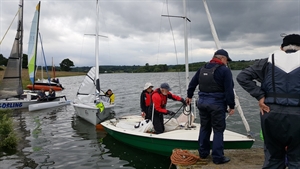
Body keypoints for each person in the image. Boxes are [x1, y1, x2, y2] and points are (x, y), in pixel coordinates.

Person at [237, 34, 300, 168]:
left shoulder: (268, 61)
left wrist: (260, 96)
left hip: (271, 113)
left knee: (273, 159)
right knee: (297, 160)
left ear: (281, 48)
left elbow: (242, 77)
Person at [186, 49, 235, 164]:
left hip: (202, 104)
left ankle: (203, 153)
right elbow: (229, 90)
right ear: (222, 58)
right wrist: (231, 106)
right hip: (217, 105)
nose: (227, 63)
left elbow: (192, 83)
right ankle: (218, 157)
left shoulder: (202, 68)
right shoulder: (225, 70)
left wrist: (189, 96)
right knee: (218, 130)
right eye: (227, 60)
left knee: (205, 128)